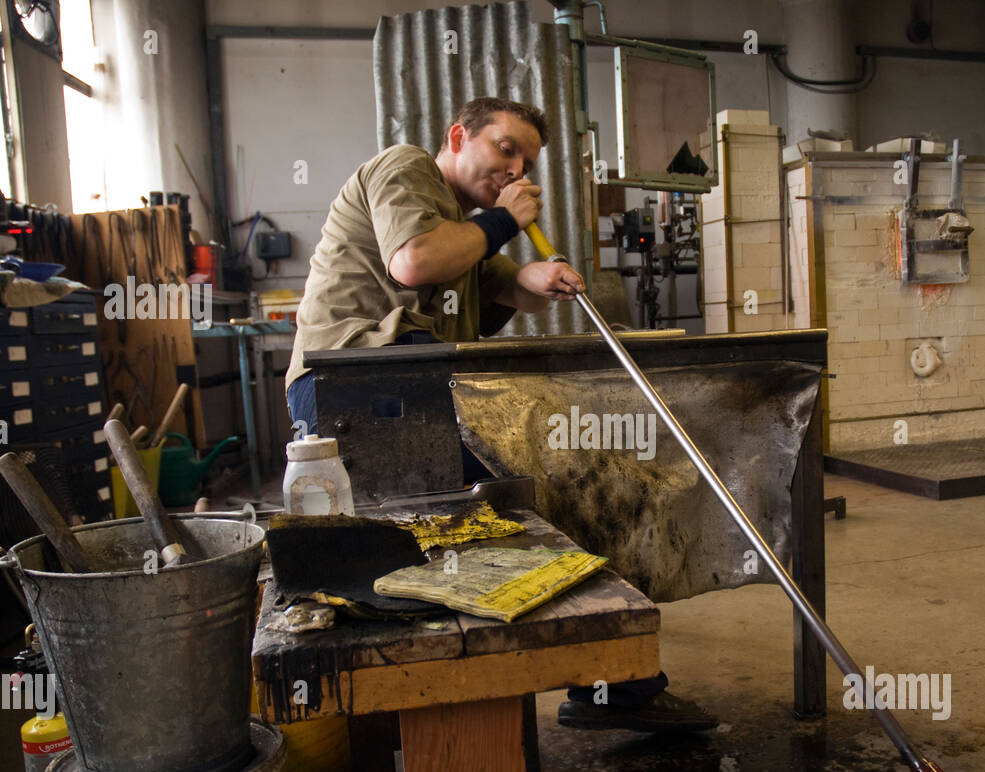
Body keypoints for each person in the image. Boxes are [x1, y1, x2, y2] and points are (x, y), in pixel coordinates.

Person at [285, 97, 715, 734]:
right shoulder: (408, 170)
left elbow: (507, 286)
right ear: (459, 137)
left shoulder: (465, 224)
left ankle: (605, 685)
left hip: (409, 391)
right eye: (505, 149)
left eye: (528, 160)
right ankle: (604, 689)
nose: (516, 169)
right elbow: (414, 261)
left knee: (529, 502)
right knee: (530, 493)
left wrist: (540, 279)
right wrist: (504, 221)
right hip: (351, 386)